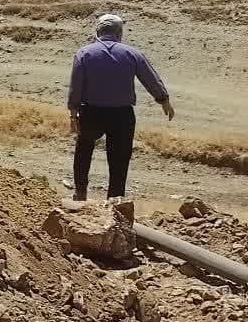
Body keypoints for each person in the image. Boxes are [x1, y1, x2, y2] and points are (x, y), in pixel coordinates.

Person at [67, 13, 175, 201]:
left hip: (91, 112)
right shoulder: (131, 53)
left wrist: (73, 112)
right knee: (119, 158)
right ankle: (115, 200)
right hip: (122, 115)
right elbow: (150, 78)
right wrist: (163, 99)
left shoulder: (84, 53)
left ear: (98, 31)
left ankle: (80, 191)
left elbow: (76, 85)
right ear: (119, 32)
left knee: (84, 150)